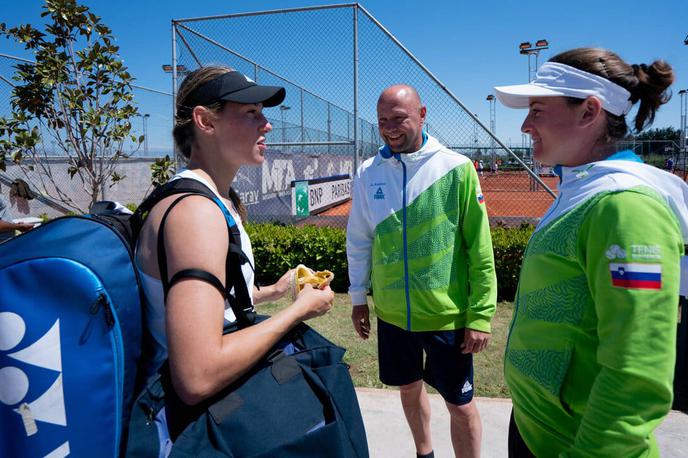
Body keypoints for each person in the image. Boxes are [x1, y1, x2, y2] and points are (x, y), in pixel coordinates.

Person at [495, 47, 687, 456]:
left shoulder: (625, 205)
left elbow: (637, 373)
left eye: (538, 110)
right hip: (538, 427)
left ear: (589, 112)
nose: (526, 124)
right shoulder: (585, 189)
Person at [135, 66, 334, 435]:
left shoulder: (212, 200)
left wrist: (274, 291)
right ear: (205, 122)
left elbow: (212, 308)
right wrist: (297, 312)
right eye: (250, 113)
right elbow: (197, 375)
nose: (267, 125)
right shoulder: (195, 215)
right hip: (192, 428)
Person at [347, 84, 497, 458]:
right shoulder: (368, 172)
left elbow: (479, 247)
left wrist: (480, 315)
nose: (390, 128)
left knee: (460, 405)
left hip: (447, 317)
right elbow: (359, 239)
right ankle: (424, 453)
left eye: (399, 119)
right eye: (383, 121)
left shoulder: (456, 168)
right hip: (394, 316)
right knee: (409, 388)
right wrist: (357, 298)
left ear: (423, 114)